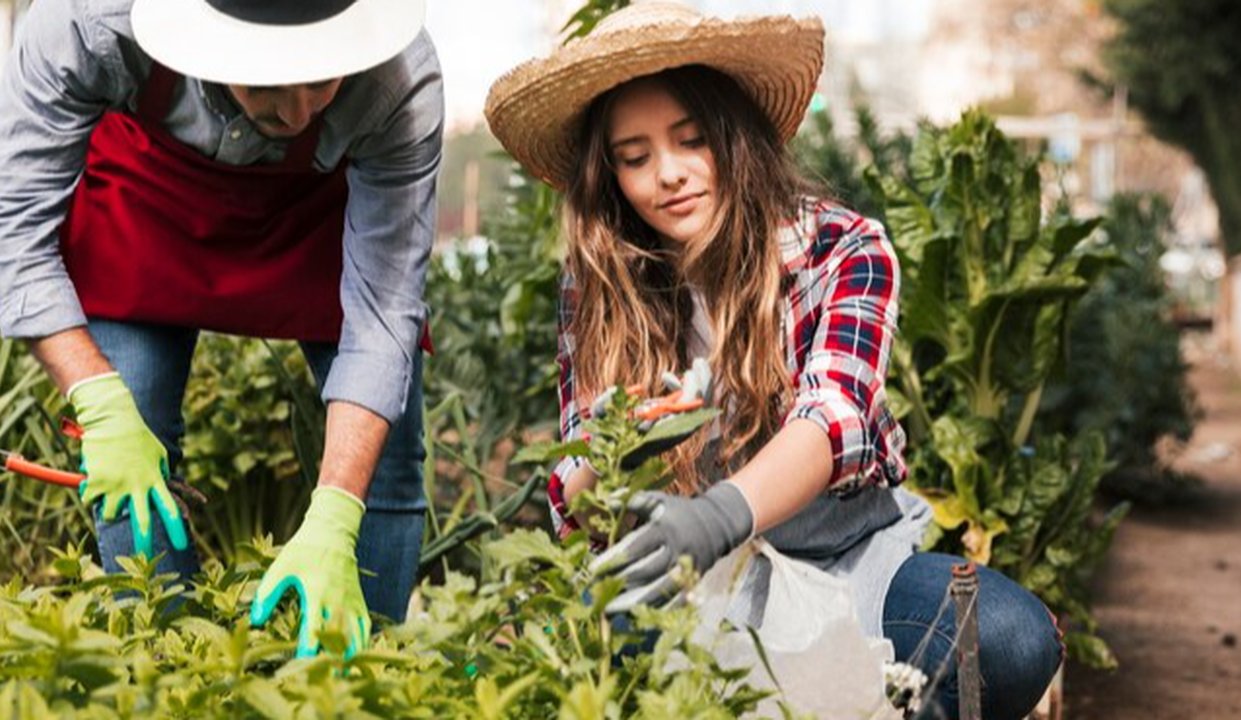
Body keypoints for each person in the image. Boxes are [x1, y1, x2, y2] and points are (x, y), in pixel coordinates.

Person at [484, 3, 1062, 717]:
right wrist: (612, 453)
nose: (667, 175)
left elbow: (833, 417)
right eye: (634, 158)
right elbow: (577, 481)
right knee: (587, 645)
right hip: (695, 577)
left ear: (734, 134)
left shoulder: (840, 249)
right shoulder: (599, 289)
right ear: (610, 177)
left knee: (1003, 637)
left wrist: (721, 511)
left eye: (691, 140)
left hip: (852, 562)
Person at [0, 0, 443, 658]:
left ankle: (362, 671)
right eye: (266, 82)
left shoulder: (399, 84)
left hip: (316, 219)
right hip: (145, 203)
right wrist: (97, 402)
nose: (296, 114)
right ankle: (165, 668)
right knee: (132, 431)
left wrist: (336, 512)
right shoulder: (87, 19)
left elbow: (382, 320)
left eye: (321, 80)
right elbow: (15, 232)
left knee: (384, 461)